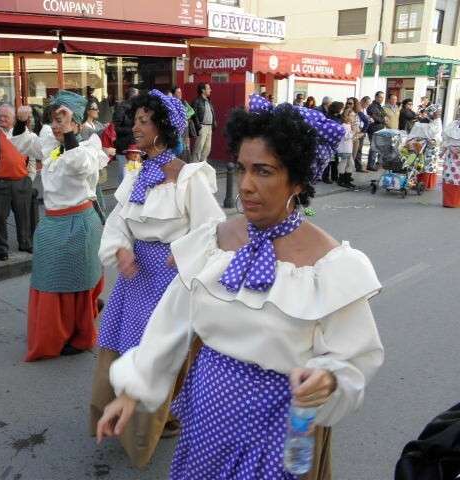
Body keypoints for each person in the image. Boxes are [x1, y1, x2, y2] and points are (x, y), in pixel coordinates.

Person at [97, 96, 384, 479]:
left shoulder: (329, 265)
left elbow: (355, 357)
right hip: (206, 420)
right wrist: (132, 391)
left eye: (263, 171)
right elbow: (170, 323)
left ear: (297, 179)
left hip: (277, 432)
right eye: (242, 169)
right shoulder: (213, 242)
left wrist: (328, 378)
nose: (246, 186)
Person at [90, 89, 226, 467]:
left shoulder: (188, 176)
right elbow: (119, 220)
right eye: (135, 121)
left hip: (170, 279)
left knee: (161, 349)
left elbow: (212, 228)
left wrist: (182, 255)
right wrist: (121, 249)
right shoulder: (137, 173)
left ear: (163, 128)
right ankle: (118, 411)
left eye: (144, 122)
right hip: (135, 278)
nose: (135, 128)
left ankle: (153, 424)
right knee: (123, 344)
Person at [25, 90, 109, 361]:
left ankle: (80, 335)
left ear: (77, 123)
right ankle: (55, 331)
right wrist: (20, 121)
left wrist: (71, 131)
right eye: (54, 119)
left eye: (62, 119)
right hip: (52, 223)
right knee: (49, 281)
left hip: (77, 223)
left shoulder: (88, 147)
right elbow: (24, 145)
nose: (56, 124)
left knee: (75, 283)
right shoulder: (51, 143)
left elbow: (80, 166)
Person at [0, 104, 39, 261]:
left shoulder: (25, 134)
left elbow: (32, 157)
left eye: (5, 116)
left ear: (14, 118)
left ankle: (25, 243)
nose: (1, 119)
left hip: (22, 182)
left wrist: (30, 177)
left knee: (24, 216)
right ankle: (2, 249)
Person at [113, 87, 139, 183]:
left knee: (133, 175)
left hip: (134, 147)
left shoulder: (137, 109)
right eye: (137, 96)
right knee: (124, 176)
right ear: (132, 97)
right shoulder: (121, 108)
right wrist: (132, 130)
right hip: (124, 148)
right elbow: (115, 128)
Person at [192, 83, 216, 163]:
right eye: (208, 88)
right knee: (198, 149)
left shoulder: (208, 101)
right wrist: (199, 126)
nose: (210, 90)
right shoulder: (197, 101)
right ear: (203, 90)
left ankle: (202, 165)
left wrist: (214, 123)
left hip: (209, 128)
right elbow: (194, 114)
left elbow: (212, 113)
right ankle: (194, 166)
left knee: (207, 149)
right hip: (202, 127)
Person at [441, 103, 460, 207]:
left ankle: (456, 201)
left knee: (458, 179)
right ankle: (448, 201)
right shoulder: (453, 125)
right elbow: (446, 139)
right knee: (448, 177)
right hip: (450, 156)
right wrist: (444, 150)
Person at [171, 86, 195, 163]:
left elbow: (192, 111)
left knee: (186, 146)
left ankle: (187, 163)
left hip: (185, 128)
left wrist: (185, 116)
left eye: (180, 92)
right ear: (173, 94)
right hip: (177, 129)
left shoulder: (184, 102)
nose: (180, 94)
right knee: (179, 146)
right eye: (178, 92)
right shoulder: (171, 103)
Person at [322, 101, 344, 184]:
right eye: (341, 108)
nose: (342, 110)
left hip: (336, 142)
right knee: (329, 160)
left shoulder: (339, 117)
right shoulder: (328, 117)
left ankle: (335, 176)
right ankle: (326, 177)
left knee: (335, 160)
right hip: (329, 141)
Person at [366, 91, 387, 171]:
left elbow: (384, 115)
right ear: (376, 97)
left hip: (380, 129)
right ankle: (370, 165)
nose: (382, 99)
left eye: (383, 97)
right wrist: (383, 120)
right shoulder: (372, 107)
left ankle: (377, 164)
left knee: (380, 147)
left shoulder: (379, 106)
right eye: (380, 97)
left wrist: (383, 118)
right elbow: (375, 118)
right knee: (374, 148)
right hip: (374, 129)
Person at [337, 108, 357, 189]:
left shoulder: (349, 125)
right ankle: (342, 180)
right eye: (351, 116)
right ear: (346, 116)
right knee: (344, 163)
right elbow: (346, 137)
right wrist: (353, 131)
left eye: (354, 116)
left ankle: (346, 180)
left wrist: (355, 135)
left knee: (350, 164)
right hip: (344, 148)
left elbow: (350, 137)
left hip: (348, 148)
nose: (353, 117)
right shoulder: (344, 125)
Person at [355, 96, 372, 172]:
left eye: (368, 104)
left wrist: (369, 118)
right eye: (367, 103)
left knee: (359, 149)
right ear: (362, 101)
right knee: (357, 149)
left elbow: (365, 118)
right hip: (358, 130)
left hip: (362, 130)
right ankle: (358, 166)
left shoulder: (364, 109)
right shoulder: (358, 109)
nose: (367, 105)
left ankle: (358, 166)